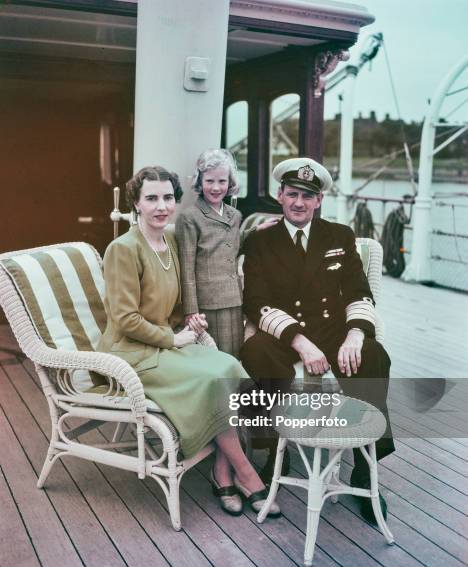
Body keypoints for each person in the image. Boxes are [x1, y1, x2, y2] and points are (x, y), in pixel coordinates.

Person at [97, 166, 279, 518]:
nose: (161, 206)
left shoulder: (169, 242)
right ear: (136, 203)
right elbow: (125, 319)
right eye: (151, 198)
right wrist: (173, 337)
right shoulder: (123, 249)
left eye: (167, 197)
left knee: (228, 365)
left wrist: (187, 319)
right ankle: (246, 473)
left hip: (165, 343)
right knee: (211, 381)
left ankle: (221, 470)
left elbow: (173, 302)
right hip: (129, 354)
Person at [240, 157, 395, 524]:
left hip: (334, 331)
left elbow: (360, 291)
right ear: (279, 195)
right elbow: (256, 303)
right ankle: (273, 446)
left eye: (307, 196)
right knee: (255, 351)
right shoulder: (261, 241)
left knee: (373, 355)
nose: (299, 202)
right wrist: (301, 344)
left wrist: (356, 333)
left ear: (319, 200)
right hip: (287, 333)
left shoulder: (339, 236)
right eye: (292, 194)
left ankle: (364, 465)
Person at [175, 149, 277, 358]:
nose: (215, 187)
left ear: (230, 183)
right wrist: (191, 311)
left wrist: (255, 231)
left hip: (234, 298)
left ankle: (235, 391)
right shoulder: (189, 217)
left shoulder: (235, 214)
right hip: (207, 304)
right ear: (199, 181)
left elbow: (231, 247)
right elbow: (186, 268)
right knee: (214, 359)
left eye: (222, 181)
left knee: (235, 356)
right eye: (209, 181)